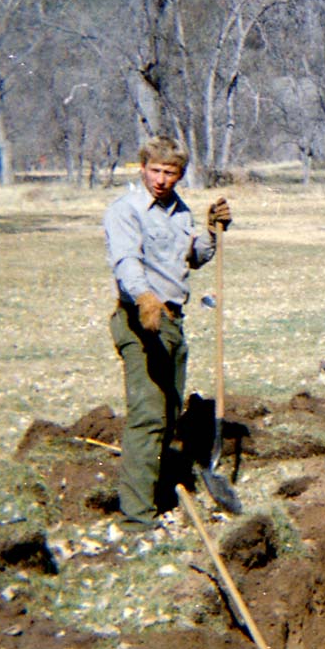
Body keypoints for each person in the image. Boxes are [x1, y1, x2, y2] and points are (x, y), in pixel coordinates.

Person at [103, 136, 231, 531]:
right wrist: (143, 297)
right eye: (155, 170)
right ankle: (136, 519)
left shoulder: (179, 211)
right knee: (147, 415)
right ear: (142, 167)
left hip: (172, 321)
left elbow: (194, 258)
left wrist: (212, 230)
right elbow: (126, 260)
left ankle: (156, 494)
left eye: (170, 173)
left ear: (180, 174)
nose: (161, 179)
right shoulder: (125, 210)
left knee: (170, 413)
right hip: (141, 320)